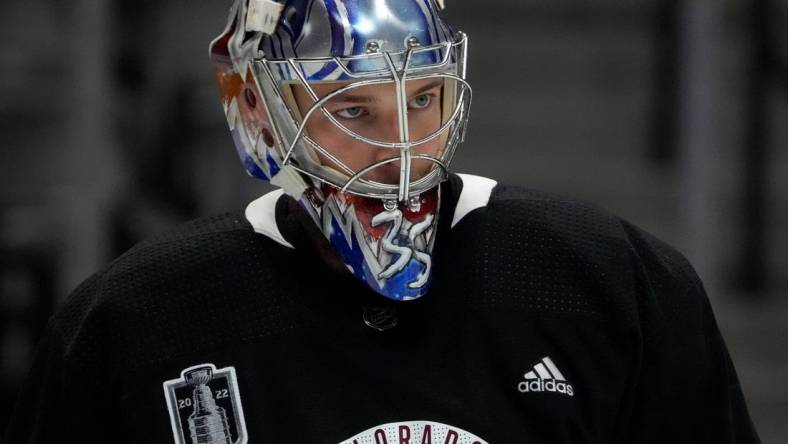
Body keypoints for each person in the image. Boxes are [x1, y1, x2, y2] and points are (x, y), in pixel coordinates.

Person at [5, 0, 761, 442]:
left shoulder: (612, 285)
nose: (399, 149)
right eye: (351, 108)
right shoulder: (137, 320)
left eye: (423, 99)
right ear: (256, 111)